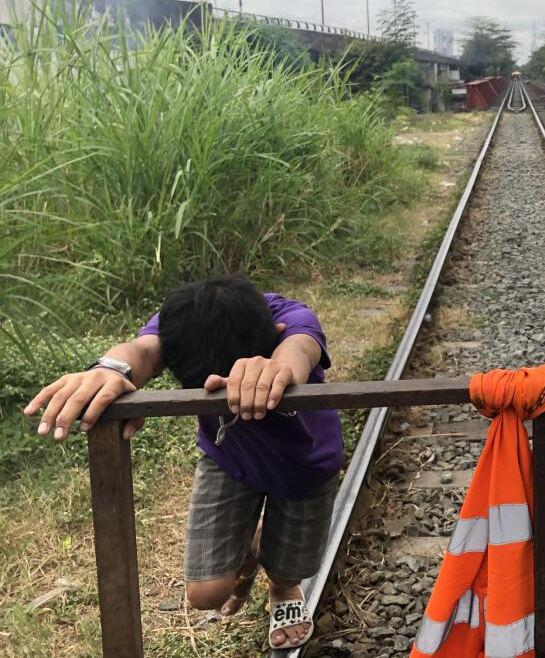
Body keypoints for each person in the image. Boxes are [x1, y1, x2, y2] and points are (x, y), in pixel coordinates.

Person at [25, 275, 344, 650]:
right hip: (230, 457)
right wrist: (110, 370)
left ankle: (282, 587)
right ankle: (256, 541)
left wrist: (277, 369)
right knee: (205, 593)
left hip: (303, 465)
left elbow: (299, 349)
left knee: (291, 569)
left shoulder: (292, 319)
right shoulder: (184, 321)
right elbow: (141, 351)